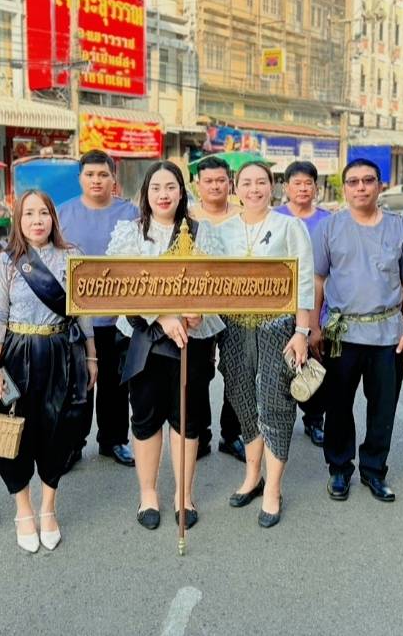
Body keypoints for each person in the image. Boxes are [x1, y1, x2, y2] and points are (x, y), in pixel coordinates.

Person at [108, 161, 224, 532]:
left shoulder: (200, 232)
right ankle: (148, 494)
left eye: (170, 187)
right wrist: (161, 315)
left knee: (186, 419)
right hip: (144, 338)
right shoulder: (130, 232)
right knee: (145, 417)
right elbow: (117, 283)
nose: (163, 194)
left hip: (192, 340)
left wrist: (198, 311)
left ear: (181, 192)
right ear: (145, 193)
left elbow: (217, 282)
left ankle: (183, 495)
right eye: (156, 188)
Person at [311, 159, 403, 502]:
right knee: (338, 404)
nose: (360, 187)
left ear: (380, 186)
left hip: (388, 331)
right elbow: (317, 279)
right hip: (340, 331)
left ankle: (375, 470)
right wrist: (313, 327)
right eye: (353, 182)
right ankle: (339, 468)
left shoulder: (401, 229)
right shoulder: (329, 228)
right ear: (344, 188)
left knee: (383, 407)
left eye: (368, 180)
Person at [0, 190, 96, 553]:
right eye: (29, 213)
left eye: (43, 213)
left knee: (59, 431)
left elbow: (82, 310)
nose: (37, 220)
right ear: (18, 219)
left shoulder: (72, 255)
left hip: (62, 352)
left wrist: (92, 357)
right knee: (14, 433)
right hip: (17, 353)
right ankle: (23, 510)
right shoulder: (5, 262)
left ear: (53, 217)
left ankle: (48, 508)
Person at [217, 161, 314, 528]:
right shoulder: (223, 231)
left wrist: (301, 331)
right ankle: (252, 476)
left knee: (275, 404)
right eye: (246, 183)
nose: (254, 189)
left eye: (261, 182)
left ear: (272, 186)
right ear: (235, 188)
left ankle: (273, 489)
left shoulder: (290, 226)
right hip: (234, 329)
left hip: (278, 328)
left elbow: (304, 280)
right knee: (242, 400)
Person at [57, 150, 139, 471]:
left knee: (116, 384)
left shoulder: (130, 213)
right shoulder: (62, 213)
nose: (96, 180)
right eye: (90, 175)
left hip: (118, 317)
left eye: (103, 174)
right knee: (78, 384)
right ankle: (73, 443)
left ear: (113, 178)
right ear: (80, 178)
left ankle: (114, 439)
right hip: (77, 318)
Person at [189, 155, 246, 463]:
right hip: (198, 307)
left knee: (237, 370)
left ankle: (231, 433)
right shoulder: (186, 217)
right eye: (208, 181)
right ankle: (199, 434)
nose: (214, 186)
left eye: (220, 180)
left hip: (236, 304)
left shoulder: (244, 215)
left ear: (230, 183)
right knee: (198, 373)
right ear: (197, 185)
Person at [275, 159, 332, 447]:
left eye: (308, 183)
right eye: (296, 183)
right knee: (280, 364)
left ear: (316, 188)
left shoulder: (328, 221)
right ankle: (278, 420)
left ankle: (314, 420)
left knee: (315, 360)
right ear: (286, 187)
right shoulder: (274, 218)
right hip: (280, 304)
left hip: (318, 304)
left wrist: (315, 320)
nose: (303, 188)